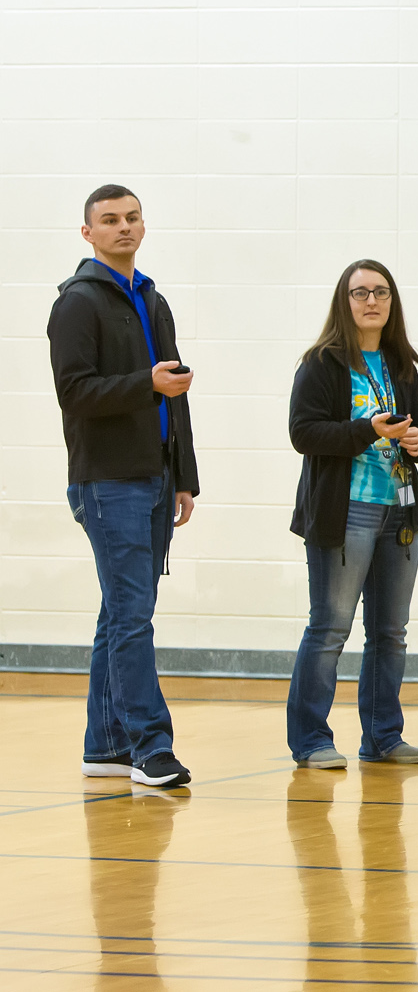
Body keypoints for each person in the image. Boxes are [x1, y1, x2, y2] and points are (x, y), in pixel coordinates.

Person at [48, 184, 199, 788]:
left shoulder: (151, 298)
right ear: (88, 234)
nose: (124, 228)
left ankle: (104, 746)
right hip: (108, 482)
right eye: (109, 221)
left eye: (132, 218)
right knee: (133, 617)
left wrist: (183, 475)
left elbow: (175, 389)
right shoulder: (77, 304)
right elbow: (75, 393)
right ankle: (149, 747)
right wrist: (146, 385)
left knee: (120, 615)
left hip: (156, 476)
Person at [287, 259, 418, 769]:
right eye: (359, 293)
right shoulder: (322, 363)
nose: (371, 301)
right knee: (330, 628)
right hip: (344, 511)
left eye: (381, 292)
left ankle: (382, 738)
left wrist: (417, 441)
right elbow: (303, 434)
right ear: (343, 302)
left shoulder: (401, 363)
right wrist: (369, 429)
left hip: (399, 513)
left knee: (390, 632)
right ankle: (311, 740)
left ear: (392, 303)